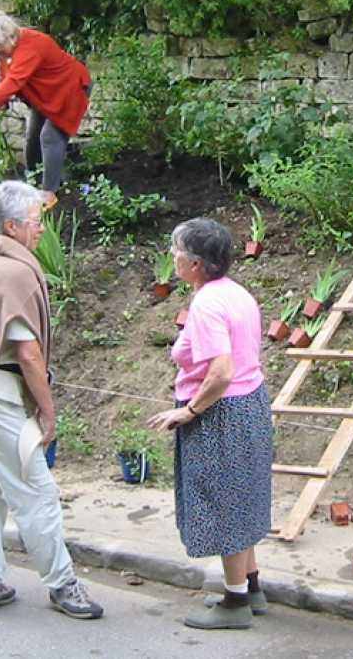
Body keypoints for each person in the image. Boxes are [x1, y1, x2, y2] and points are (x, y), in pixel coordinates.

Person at [0, 180, 102, 620]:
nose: (40, 229)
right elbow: (29, 354)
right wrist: (47, 409)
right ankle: (63, 585)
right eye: (35, 221)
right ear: (11, 226)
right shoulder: (15, 274)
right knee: (36, 491)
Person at [147, 218, 272, 630]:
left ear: (196, 264)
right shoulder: (236, 293)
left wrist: (190, 411)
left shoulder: (206, 305)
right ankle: (251, 587)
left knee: (223, 504)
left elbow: (221, 372)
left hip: (222, 415)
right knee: (243, 498)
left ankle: (235, 602)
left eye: (177, 250)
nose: (172, 256)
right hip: (250, 405)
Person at [0, 11, 92, 209]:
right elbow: (8, 75)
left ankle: (49, 194)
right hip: (45, 95)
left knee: (50, 136)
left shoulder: (32, 45)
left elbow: (16, 78)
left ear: (11, 36)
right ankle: (33, 182)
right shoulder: (7, 49)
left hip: (68, 89)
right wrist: (2, 101)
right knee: (32, 136)